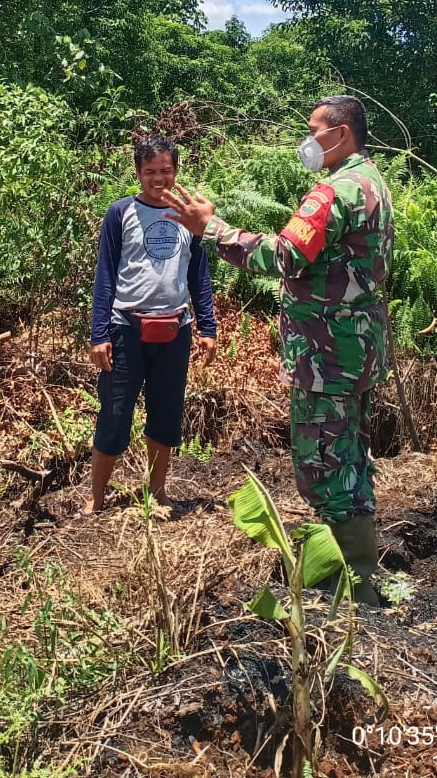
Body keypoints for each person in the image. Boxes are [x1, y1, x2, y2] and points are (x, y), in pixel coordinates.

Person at [162, 96, 393, 604]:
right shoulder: (373, 182)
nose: (308, 140)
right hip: (356, 351)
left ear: (342, 134)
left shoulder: (334, 191)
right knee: (349, 457)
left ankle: (352, 588)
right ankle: (360, 579)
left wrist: (212, 228)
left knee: (324, 464)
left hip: (327, 355)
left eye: (315, 130)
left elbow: (285, 255)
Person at [86, 134, 217, 515]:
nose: (159, 179)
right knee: (115, 412)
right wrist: (99, 334)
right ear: (138, 172)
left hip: (175, 328)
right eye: (150, 171)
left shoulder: (190, 215)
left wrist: (207, 327)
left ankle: (157, 492)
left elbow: (199, 275)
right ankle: (97, 498)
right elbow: (106, 275)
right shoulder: (120, 213)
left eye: (166, 171)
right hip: (125, 327)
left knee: (166, 413)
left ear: (176, 171)